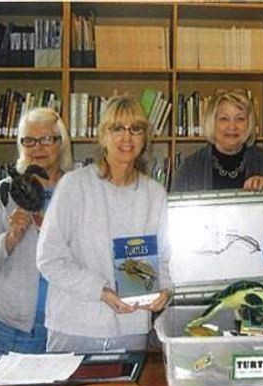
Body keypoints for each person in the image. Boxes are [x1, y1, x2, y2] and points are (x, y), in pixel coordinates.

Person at [37, 96, 172, 353]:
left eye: (136, 129)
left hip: (132, 329)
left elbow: (164, 259)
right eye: (117, 128)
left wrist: (165, 291)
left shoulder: (155, 193)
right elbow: (49, 259)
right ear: (102, 136)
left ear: (145, 139)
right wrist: (100, 290)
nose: (127, 137)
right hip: (75, 327)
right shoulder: (74, 186)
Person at [0, 108, 73, 358]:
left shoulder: (79, 191)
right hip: (10, 332)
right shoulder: (6, 192)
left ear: (61, 143)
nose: (38, 147)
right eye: (29, 140)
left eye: (47, 139)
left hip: (68, 329)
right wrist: (9, 239)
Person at [171, 88, 263, 192]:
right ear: (212, 123)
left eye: (240, 119)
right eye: (224, 119)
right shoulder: (189, 168)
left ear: (249, 124)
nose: (232, 126)